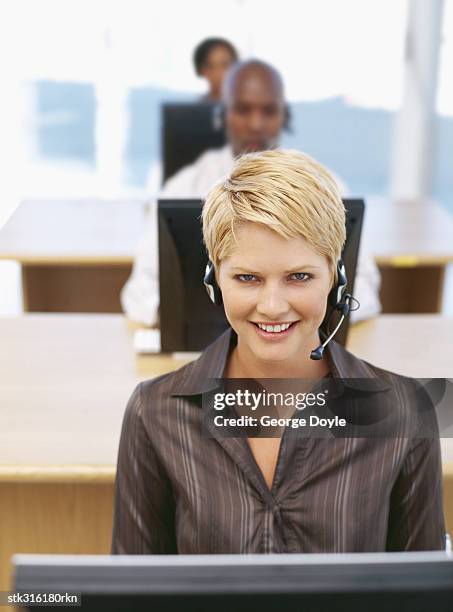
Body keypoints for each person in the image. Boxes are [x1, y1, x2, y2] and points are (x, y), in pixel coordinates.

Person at [112, 149, 444, 554]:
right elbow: (135, 592)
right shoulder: (155, 412)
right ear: (214, 280)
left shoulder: (406, 413)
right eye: (247, 278)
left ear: (336, 280)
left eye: (299, 277)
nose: (272, 305)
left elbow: (419, 593)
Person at [121, 60, 381, 327]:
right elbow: (140, 292)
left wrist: (299, 318)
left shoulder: (325, 188)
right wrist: (238, 317)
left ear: (284, 116)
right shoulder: (183, 187)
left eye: (268, 111)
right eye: (243, 110)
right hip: (198, 350)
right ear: (223, 114)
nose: (256, 124)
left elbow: (365, 287)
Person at [193, 37, 238, 102]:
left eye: (224, 65)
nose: (217, 73)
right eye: (210, 66)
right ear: (200, 70)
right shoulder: (195, 108)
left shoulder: (249, 107)